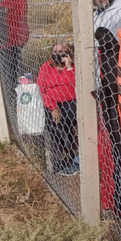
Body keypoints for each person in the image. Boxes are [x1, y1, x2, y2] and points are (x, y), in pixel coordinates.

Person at [37, 41, 78, 176]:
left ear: (68, 53)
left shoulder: (73, 67)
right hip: (52, 103)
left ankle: (70, 151)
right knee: (51, 122)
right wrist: (53, 107)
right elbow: (41, 90)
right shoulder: (46, 67)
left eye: (61, 51)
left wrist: (69, 67)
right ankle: (64, 152)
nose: (57, 54)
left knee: (67, 118)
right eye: (55, 52)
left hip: (71, 101)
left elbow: (76, 86)